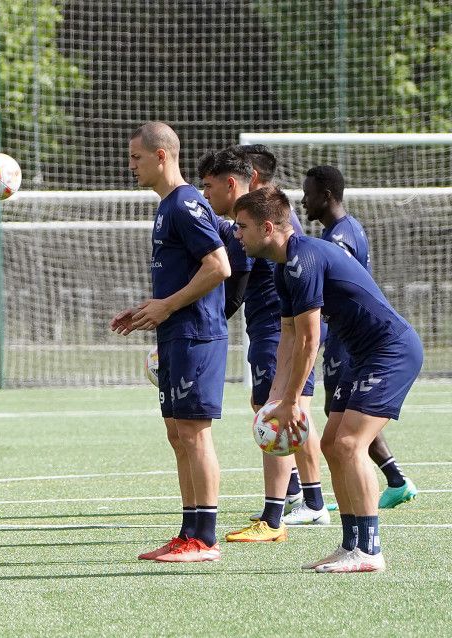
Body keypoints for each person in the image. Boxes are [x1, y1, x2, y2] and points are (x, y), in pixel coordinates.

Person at [233, 187, 423, 573]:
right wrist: (275, 398)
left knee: (351, 442)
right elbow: (287, 335)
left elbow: (308, 339)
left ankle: (370, 551)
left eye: (242, 227)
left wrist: (290, 401)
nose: (237, 234)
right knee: (333, 444)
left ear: (268, 227)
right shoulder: (283, 267)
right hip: (363, 355)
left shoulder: (303, 259)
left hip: (391, 351)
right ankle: (351, 544)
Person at [112, 122, 231, 562]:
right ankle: (189, 532)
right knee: (177, 434)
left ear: (162, 156)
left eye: (136, 157)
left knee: (195, 434)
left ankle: (206, 538)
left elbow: (218, 266)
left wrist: (168, 306)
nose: (131, 166)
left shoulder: (185, 203)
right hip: (177, 333)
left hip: (197, 333)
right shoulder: (167, 206)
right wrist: (150, 308)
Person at [198, 148, 316, 543]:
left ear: (233, 183)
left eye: (209, 187)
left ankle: (275, 517)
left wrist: (204, 324)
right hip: (271, 327)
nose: (206, 194)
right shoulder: (250, 221)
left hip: (275, 329)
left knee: (276, 412)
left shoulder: (256, 224)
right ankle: (296, 497)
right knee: (271, 409)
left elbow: (237, 285)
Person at [302, 165, 419, 509]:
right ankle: (388, 480)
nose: (303, 201)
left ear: (326, 196)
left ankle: (385, 485)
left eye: (308, 194)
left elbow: (339, 292)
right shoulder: (336, 233)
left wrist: (315, 335)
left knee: (348, 433)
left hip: (357, 342)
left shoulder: (340, 237)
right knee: (339, 425)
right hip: (348, 338)